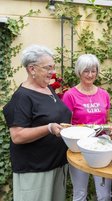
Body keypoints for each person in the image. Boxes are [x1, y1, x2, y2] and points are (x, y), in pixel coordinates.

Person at [2, 45, 71, 201]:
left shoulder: (47, 90)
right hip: (36, 170)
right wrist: (48, 128)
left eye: (53, 68)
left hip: (57, 164)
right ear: (32, 69)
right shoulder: (22, 97)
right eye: (48, 68)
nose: (52, 72)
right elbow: (17, 136)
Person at [62, 54, 112, 201]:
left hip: (101, 148)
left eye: (93, 71)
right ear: (79, 72)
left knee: (104, 195)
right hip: (78, 149)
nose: (90, 75)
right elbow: (66, 126)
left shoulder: (104, 94)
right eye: (86, 71)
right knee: (80, 193)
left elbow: (106, 120)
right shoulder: (70, 95)